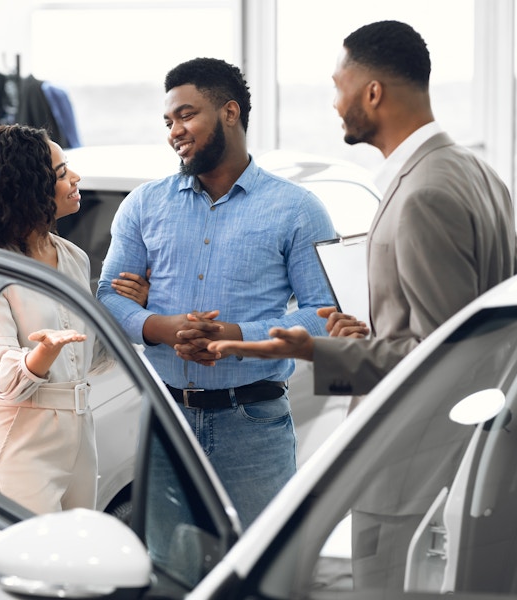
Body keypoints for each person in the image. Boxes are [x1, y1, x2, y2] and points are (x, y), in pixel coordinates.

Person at [209, 20, 517, 404]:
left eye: (339, 86)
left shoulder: (422, 195)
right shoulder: (478, 171)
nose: (335, 102)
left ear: (373, 93)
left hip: (421, 436)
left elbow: (442, 358)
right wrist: (365, 338)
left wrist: (313, 350)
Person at [96, 57, 337, 528]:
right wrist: (162, 328)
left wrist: (234, 335)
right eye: (168, 121)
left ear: (230, 112)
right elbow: (108, 295)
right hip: (166, 422)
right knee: (172, 574)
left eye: (186, 115)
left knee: (255, 571)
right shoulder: (143, 205)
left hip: (255, 423)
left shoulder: (297, 209)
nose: (174, 131)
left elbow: (326, 313)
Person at [0, 123, 147, 515]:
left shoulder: (74, 257)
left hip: (79, 434)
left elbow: (90, 357)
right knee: (32, 564)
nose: (75, 179)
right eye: (60, 174)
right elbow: (4, 379)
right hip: (20, 441)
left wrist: (135, 308)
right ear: (27, 189)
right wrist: (42, 353)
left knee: (73, 560)